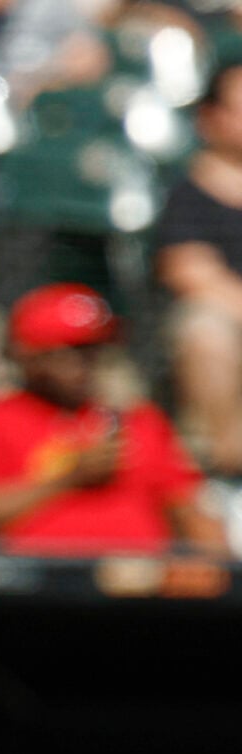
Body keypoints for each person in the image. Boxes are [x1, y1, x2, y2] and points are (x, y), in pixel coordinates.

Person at [0, 284, 218, 551]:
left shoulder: (140, 422)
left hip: (143, 588)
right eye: (72, 350)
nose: (86, 363)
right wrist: (68, 479)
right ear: (27, 355)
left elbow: (191, 514)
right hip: (36, 591)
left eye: (95, 349)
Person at [155, 59, 242, 479]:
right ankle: (227, 466)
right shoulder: (188, 192)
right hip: (223, 325)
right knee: (206, 330)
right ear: (210, 117)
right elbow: (190, 273)